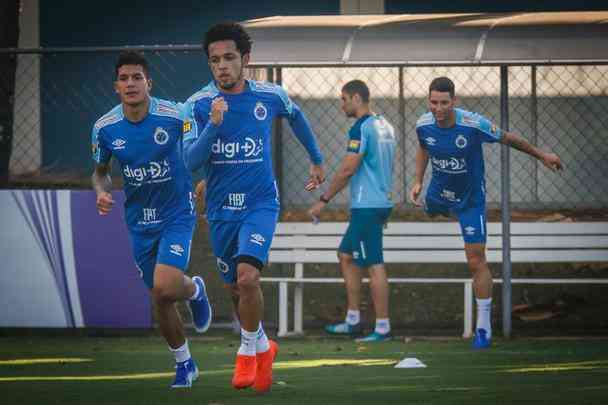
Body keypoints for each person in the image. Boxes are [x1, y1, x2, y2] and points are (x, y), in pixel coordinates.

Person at [182, 22, 325, 392]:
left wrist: (316, 158)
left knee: (248, 277)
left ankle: (246, 351)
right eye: (215, 60)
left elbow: (297, 116)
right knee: (235, 288)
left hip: (261, 202)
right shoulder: (197, 105)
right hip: (219, 209)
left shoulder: (269, 95)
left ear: (245, 59)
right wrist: (213, 125)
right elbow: (189, 161)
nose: (222, 66)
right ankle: (263, 343)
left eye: (229, 58)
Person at [410, 76, 563, 349]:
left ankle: (483, 327)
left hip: (470, 201)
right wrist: (418, 180)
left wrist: (543, 155)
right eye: (433, 102)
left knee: (475, 260)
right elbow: (423, 147)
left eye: (444, 102)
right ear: (428, 101)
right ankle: (439, 209)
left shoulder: (473, 124)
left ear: (454, 101)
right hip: (438, 194)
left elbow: (508, 138)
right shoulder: (423, 124)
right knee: (429, 209)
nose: (438, 108)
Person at [91, 51, 212, 388]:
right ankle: (185, 362)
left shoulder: (174, 116)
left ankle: (192, 290)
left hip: (177, 212)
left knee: (163, 285)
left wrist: (206, 178)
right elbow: (100, 173)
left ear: (149, 83)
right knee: (160, 296)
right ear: (116, 86)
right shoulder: (104, 128)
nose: (131, 84)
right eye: (124, 78)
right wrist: (102, 192)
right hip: (139, 221)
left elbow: (197, 149)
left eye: (137, 78)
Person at [308, 80, 396, 343]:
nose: (342, 104)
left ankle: (382, 328)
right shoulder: (385, 125)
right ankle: (353, 319)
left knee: (374, 263)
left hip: (367, 206)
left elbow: (348, 169)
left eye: (344, 99)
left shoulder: (361, 128)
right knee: (346, 255)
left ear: (357, 98)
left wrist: (323, 199)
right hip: (378, 203)